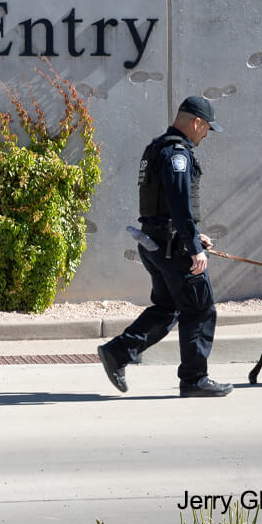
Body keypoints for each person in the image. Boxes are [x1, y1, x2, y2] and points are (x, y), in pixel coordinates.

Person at [97, 94, 233, 398]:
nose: (206, 135)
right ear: (196, 122)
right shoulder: (177, 153)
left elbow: (165, 205)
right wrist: (193, 246)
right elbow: (178, 202)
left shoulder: (157, 147)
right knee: (199, 308)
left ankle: (118, 353)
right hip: (174, 248)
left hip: (157, 242)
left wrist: (195, 235)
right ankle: (195, 379)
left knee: (168, 308)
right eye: (207, 128)